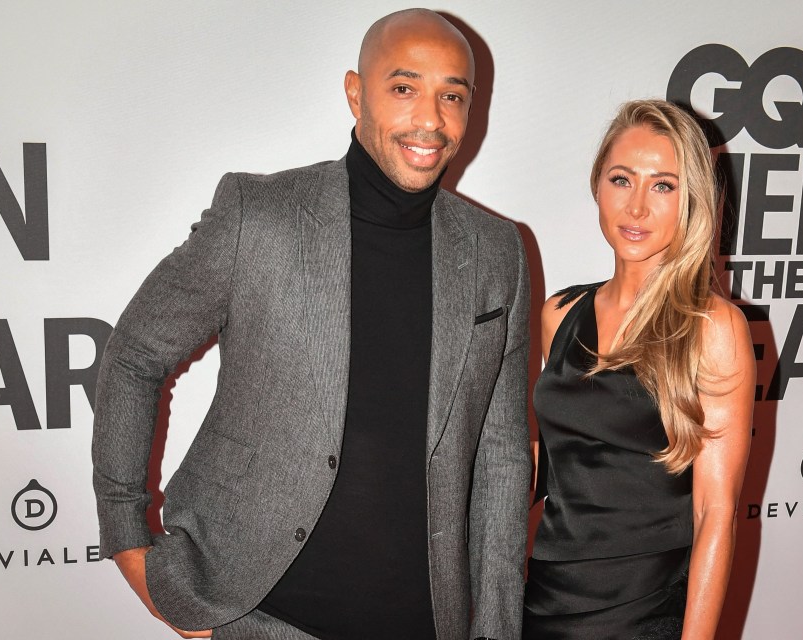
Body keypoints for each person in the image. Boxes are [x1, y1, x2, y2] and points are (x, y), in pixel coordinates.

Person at [91, 9, 531, 640]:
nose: (430, 120)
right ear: (356, 93)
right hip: (262, 619)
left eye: (452, 96)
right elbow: (135, 353)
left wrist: (494, 630)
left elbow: (502, 457)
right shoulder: (259, 217)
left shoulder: (496, 252)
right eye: (404, 89)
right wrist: (125, 531)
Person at [522, 100, 756, 639]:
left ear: (692, 199)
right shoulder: (559, 315)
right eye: (622, 179)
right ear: (597, 186)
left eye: (664, 186)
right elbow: (553, 463)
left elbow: (714, 514)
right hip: (543, 602)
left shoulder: (712, 328)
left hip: (644, 615)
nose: (637, 207)